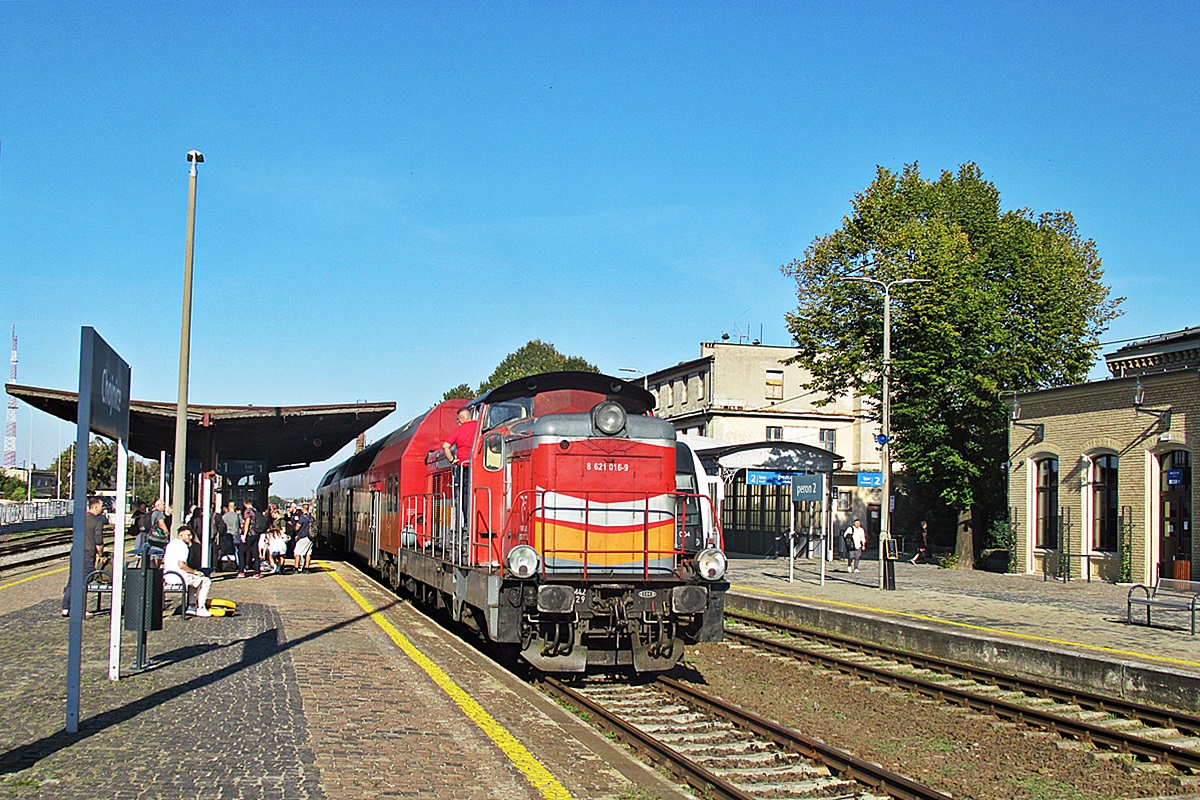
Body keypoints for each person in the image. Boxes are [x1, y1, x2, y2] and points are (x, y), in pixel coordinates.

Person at [61, 497, 106, 617]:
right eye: (101, 506)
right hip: (87, 554)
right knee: (83, 582)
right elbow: (98, 540)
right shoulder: (97, 521)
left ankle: (66, 607)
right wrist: (101, 554)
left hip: (75, 552)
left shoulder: (80, 519)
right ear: (95, 507)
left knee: (72, 580)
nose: (103, 508)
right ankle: (80, 609)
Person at [163, 526, 212, 616]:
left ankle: (192, 606)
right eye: (188, 535)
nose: (191, 537)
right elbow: (181, 565)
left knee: (195, 580)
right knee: (205, 581)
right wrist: (194, 572)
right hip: (179, 576)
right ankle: (201, 608)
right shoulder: (183, 546)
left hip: (168, 575)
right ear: (181, 535)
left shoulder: (171, 544)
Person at [221, 500, 243, 575]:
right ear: (235, 507)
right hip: (236, 534)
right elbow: (242, 524)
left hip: (227, 534)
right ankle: (238, 565)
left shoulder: (224, 516)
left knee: (228, 550)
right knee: (237, 551)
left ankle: (228, 564)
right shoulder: (237, 516)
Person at [292, 502, 313, 573]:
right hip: (310, 537)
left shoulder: (302, 518)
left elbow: (297, 528)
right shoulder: (311, 517)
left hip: (303, 537)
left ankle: (296, 568)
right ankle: (306, 568)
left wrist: (295, 522)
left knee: (297, 553)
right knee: (308, 553)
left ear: (303, 509)